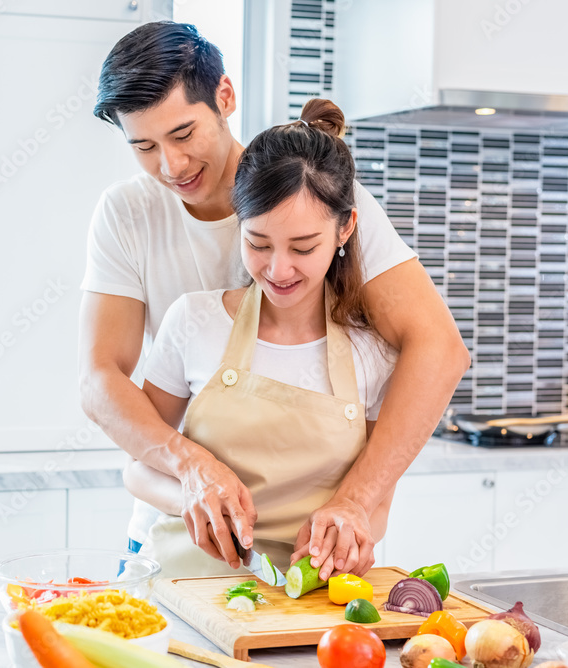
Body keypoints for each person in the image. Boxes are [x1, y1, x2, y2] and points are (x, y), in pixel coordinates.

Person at [78, 22, 469, 580]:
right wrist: (191, 467)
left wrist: (358, 500)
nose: (172, 165)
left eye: (184, 133)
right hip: (181, 538)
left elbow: (438, 348)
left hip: (313, 563)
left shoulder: (317, 192)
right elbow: (100, 380)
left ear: (225, 98)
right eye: (144, 146)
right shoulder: (127, 217)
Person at [122, 98, 397, 577]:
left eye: (303, 247)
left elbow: (377, 502)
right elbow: (138, 468)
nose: (278, 269)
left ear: (345, 229)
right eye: (258, 243)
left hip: (309, 608)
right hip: (187, 588)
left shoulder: (371, 351)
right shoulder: (195, 321)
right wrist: (194, 490)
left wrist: (354, 531)